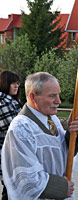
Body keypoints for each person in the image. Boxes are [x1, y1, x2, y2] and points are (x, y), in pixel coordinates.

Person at [1, 72, 78, 199]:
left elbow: (62, 153)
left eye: (58, 95)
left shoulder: (53, 119)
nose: (59, 101)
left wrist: (72, 133)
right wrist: (61, 187)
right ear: (33, 97)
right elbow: (25, 178)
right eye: (52, 96)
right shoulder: (21, 127)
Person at [0, 71, 22, 200]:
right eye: (13, 83)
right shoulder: (3, 102)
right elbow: (13, 128)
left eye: (18, 83)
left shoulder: (12, 101)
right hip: (6, 151)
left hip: (12, 150)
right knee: (10, 187)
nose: (16, 86)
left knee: (10, 187)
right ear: (5, 84)